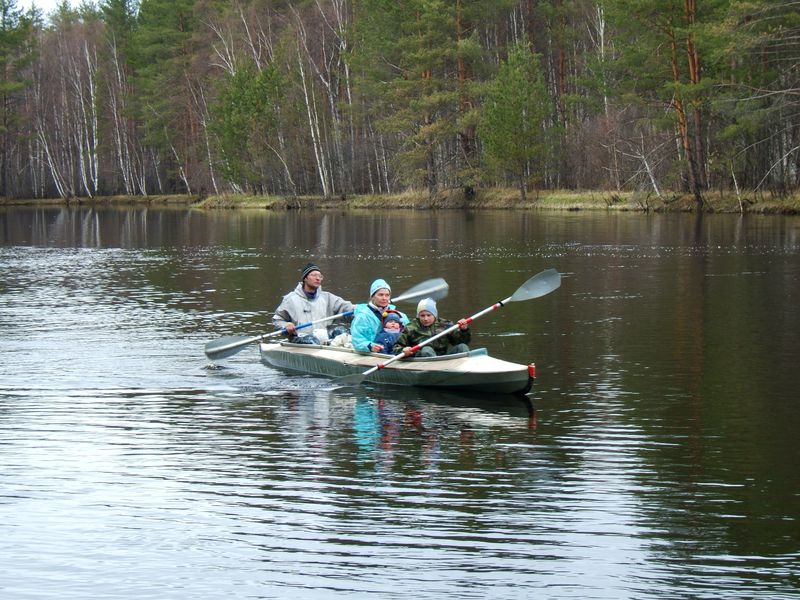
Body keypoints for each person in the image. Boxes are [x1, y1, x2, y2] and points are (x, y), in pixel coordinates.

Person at [272, 262, 354, 343]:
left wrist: (359, 309)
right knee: (312, 341)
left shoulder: (327, 297)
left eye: (320, 276)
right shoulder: (290, 299)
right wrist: (286, 325)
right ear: (305, 278)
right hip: (300, 338)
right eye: (314, 275)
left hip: (323, 337)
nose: (318, 278)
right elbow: (277, 320)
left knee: (341, 331)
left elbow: (346, 307)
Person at [393, 297, 470, 357]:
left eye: (429, 315)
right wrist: (403, 350)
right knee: (427, 350)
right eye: (422, 315)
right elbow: (396, 348)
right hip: (423, 358)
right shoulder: (410, 328)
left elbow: (461, 341)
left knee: (463, 347)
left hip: (443, 357)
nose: (426, 319)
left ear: (435, 315)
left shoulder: (445, 324)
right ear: (418, 316)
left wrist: (464, 330)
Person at [351, 278, 409, 353]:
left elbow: (409, 334)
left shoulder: (401, 316)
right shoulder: (362, 317)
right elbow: (357, 340)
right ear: (372, 296)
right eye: (380, 295)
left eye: (387, 295)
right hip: (374, 353)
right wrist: (370, 346)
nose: (384, 298)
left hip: (398, 350)